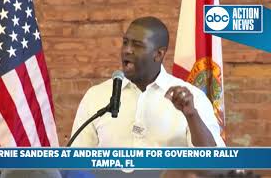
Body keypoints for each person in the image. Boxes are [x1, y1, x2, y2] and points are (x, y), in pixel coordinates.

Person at [71, 16, 225, 147]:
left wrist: (191, 115)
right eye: (125, 42)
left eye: (137, 45)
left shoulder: (193, 99)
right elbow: (76, 162)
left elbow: (213, 160)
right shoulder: (96, 96)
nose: (127, 50)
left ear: (158, 54)